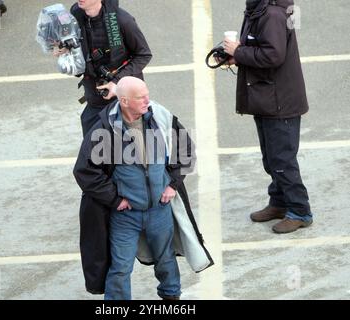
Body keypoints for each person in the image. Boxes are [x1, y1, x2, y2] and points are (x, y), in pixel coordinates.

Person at [73, 77, 214, 299]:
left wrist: (173, 184)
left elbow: (185, 148)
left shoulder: (160, 117)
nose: (148, 100)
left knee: (166, 259)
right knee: (120, 267)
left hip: (159, 209)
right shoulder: (104, 128)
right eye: (141, 97)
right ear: (125, 101)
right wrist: (115, 200)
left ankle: (170, 296)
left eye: (147, 94)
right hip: (125, 215)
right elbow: (85, 171)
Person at [222, 0, 313, 234]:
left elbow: (274, 55)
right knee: (272, 158)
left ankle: (300, 211)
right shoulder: (260, 9)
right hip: (268, 98)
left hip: (279, 101)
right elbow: (262, 47)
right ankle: (279, 202)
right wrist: (237, 56)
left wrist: (239, 52)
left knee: (282, 160)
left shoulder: (272, 14)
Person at [54, 0, 152, 136]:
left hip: (125, 102)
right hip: (95, 100)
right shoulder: (75, 19)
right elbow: (75, 45)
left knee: (129, 152)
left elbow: (143, 55)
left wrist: (116, 82)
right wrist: (64, 49)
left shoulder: (123, 21)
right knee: (93, 151)